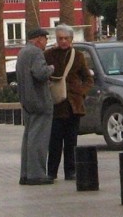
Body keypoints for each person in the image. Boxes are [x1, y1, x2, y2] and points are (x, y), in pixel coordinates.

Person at [44, 24, 94, 181]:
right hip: (56, 104)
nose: (63, 41)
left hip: (73, 105)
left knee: (71, 141)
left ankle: (70, 171)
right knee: (55, 142)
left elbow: (88, 78)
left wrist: (81, 93)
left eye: (66, 38)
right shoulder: (48, 55)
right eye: (60, 38)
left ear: (71, 39)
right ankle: (51, 172)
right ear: (56, 39)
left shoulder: (78, 56)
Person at [16, 28, 55, 185]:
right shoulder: (36, 53)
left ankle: (25, 173)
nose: (46, 42)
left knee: (29, 139)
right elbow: (40, 73)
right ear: (39, 39)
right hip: (40, 101)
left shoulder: (22, 53)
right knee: (39, 139)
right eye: (45, 39)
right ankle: (37, 174)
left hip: (27, 102)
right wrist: (51, 68)